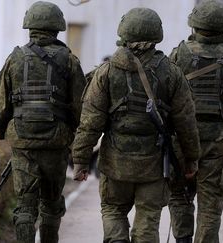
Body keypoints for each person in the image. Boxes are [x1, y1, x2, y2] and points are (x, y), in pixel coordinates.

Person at [72, 8, 201, 243]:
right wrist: (191, 159)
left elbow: (90, 121)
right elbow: (185, 122)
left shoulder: (106, 72)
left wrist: (80, 159)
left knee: (113, 210)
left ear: (124, 33)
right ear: (157, 34)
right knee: (148, 219)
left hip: (115, 163)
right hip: (153, 164)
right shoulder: (172, 73)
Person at [0, 1, 86, 242]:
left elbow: (1, 102)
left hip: (23, 142)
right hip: (56, 142)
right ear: (57, 28)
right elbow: (80, 105)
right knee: (51, 204)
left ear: (29, 26)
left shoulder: (14, 58)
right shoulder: (69, 60)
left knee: (25, 206)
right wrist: (74, 135)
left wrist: (3, 132)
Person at [168, 1, 223, 242]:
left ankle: (182, 239)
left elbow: (164, 96)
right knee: (210, 206)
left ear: (194, 24)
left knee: (179, 197)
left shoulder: (178, 55)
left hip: (181, 143)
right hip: (217, 145)